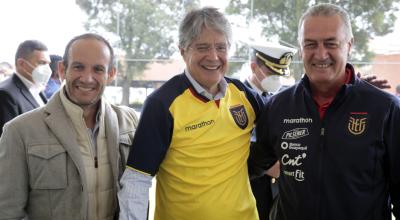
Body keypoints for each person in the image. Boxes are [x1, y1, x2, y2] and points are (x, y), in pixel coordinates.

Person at [251, 3, 400, 220]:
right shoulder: (278, 107)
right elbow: (250, 166)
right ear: (301, 48)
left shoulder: (385, 110)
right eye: (310, 44)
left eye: (331, 43)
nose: (321, 55)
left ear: (349, 45)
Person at [118, 7, 266, 220]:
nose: (213, 56)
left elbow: (277, 131)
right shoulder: (162, 103)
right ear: (183, 51)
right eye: (202, 47)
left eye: (221, 47)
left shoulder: (244, 95)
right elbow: (137, 181)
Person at [0, 33, 139, 220]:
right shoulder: (19, 131)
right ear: (62, 69)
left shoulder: (129, 123)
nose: (87, 78)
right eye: (78, 67)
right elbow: (8, 211)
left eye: (98, 69)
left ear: (111, 74)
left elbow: (138, 194)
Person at [244, 42, 297, 220]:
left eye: (280, 73)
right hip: (249, 190)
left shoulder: (279, 99)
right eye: (271, 72)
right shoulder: (237, 98)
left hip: (278, 194)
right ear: (254, 67)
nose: (277, 78)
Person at [0, 40, 51, 136]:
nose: (47, 69)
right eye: (42, 63)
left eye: (48, 63)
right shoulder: (5, 94)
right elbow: (8, 141)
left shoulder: (37, 88)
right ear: (21, 64)